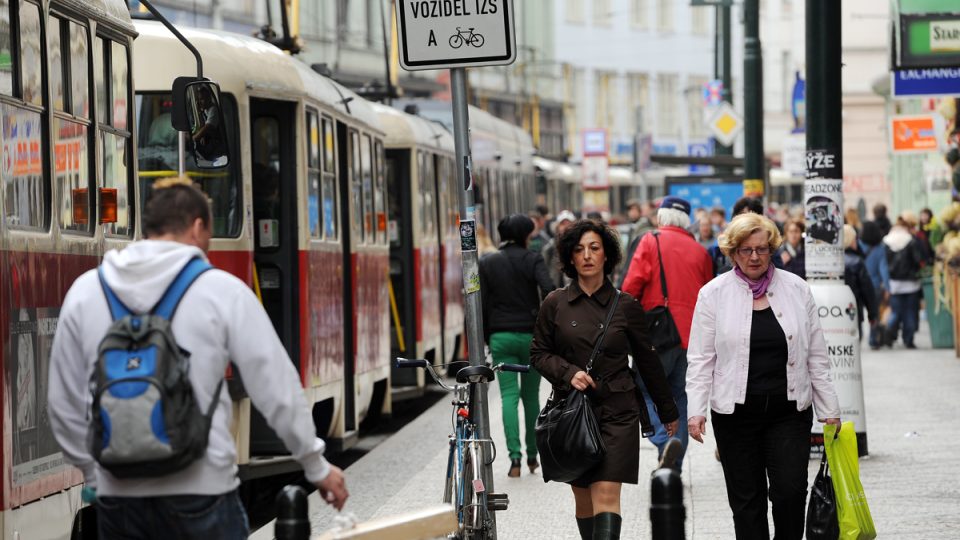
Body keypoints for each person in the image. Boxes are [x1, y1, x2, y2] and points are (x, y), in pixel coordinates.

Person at [48, 178, 347, 539]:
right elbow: (276, 387)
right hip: (204, 494)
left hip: (120, 503)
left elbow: (62, 406)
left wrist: (98, 476)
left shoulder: (85, 292)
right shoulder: (221, 291)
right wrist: (316, 466)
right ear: (197, 226)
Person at [686, 212, 841, 540]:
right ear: (731, 252)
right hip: (735, 416)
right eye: (745, 250)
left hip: (788, 412)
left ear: (772, 249)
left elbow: (816, 355)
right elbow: (700, 359)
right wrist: (696, 410)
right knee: (746, 502)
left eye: (761, 249)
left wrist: (830, 410)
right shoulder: (713, 294)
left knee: (789, 494)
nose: (754, 257)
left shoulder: (796, 289)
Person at [531, 219, 678, 540]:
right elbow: (539, 354)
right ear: (570, 257)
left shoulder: (626, 306)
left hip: (618, 411)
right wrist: (569, 374)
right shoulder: (554, 303)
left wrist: (667, 411)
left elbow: (647, 361)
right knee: (583, 499)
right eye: (579, 249)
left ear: (606, 256)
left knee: (607, 493)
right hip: (572, 414)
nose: (587, 255)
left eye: (594, 248)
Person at [621, 196, 713, 472]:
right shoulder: (700, 251)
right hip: (692, 337)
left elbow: (630, 287)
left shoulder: (651, 241)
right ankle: (674, 462)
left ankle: (663, 443)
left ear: (661, 217)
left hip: (656, 336)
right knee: (681, 399)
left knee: (648, 393)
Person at [479, 214, 556, 477]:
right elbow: (549, 288)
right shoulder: (532, 258)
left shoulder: (488, 262)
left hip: (501, 337)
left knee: (508, 397)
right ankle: (533, 456)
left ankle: (514, 460)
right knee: (531, 397)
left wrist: (487, 337)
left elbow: (482, 303)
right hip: (530, 337)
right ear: (526, 235)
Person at [883, 214, 926, 349]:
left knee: (895, 311)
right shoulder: (910, 241)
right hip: (911, 283)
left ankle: (888, 334)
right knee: (910, 312)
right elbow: (917, 259)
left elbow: (883, 263)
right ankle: (908, 340)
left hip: (894, 283)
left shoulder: (886, 242)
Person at [843, 225, 878, 341]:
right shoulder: (856, 262)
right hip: (853, 311)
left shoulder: (828, 263)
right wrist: (872, 314)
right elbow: (867, 290)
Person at [859, 221, 890, 349]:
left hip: (859, 284)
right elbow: (884, 269)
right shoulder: (881, 248)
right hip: (875, 286)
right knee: (874, 313)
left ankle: (858, 336)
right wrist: (888, 288)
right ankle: (873, 339)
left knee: (858, 313)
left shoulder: (859, 245)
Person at [542, 210, 576, 289]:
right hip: (556, 289)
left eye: (569, 224)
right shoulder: (549, 248)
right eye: (562, 224)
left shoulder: (580, 246)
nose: (566, 227)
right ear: (557, 227)